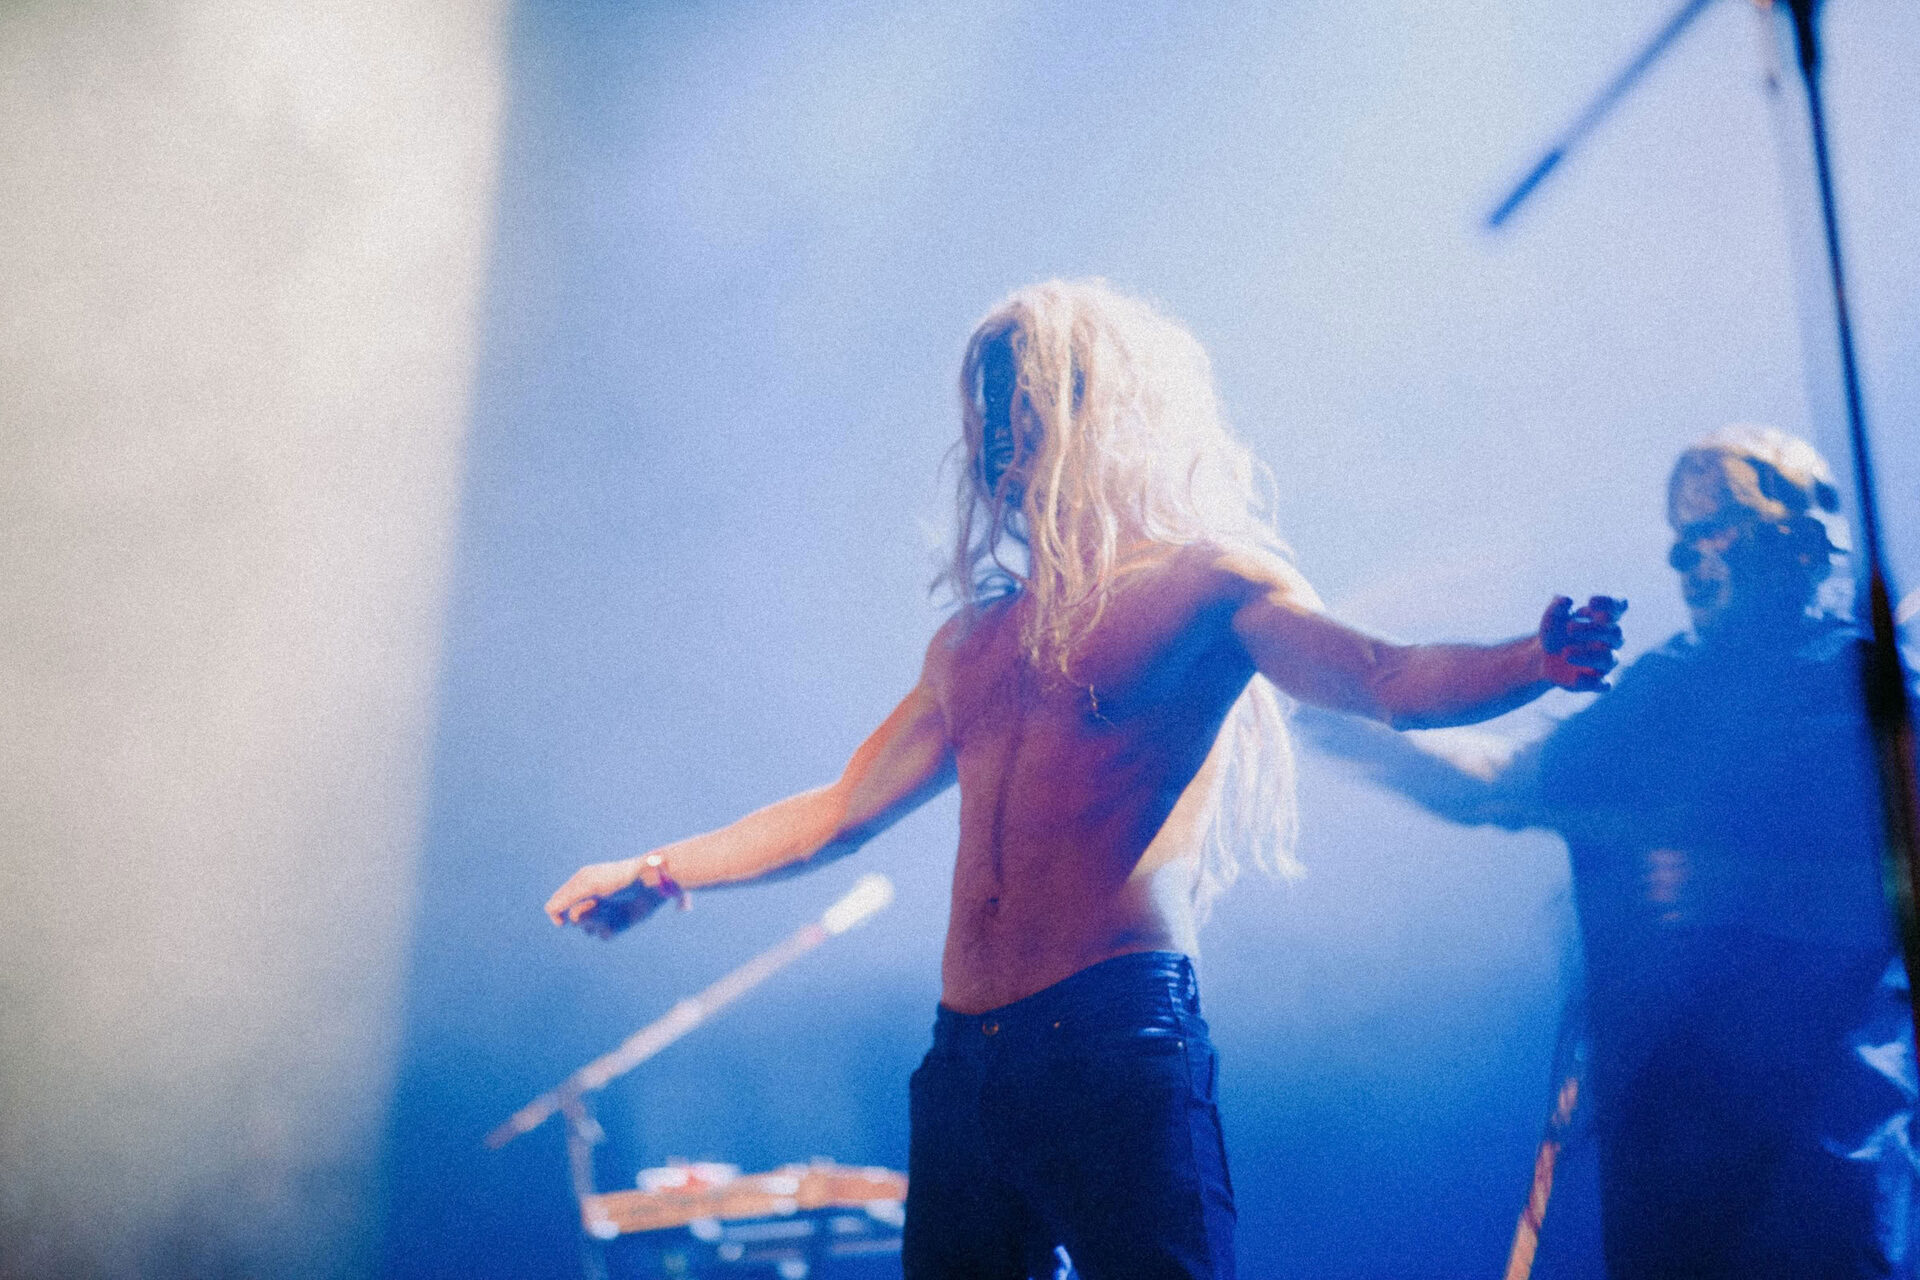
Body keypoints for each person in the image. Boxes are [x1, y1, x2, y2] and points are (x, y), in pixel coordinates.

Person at [543, 279, 1625, 1280]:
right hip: (966, 1062)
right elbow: (838, 812)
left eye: (1031, 395)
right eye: (991, 401)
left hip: (1113, 1037)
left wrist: (1531, 660)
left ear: (1105, 409)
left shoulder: (1208, 583)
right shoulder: (970, 642)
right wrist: (658, 870)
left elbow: (1384, 675)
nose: (1004, 426)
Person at [1300, 425, 1916, 1279]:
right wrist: (1336, 709)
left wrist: (1754, 891)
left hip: (1823, 1161)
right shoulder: (1672, 687)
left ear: (1801, 539)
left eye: (1715, 530)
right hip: (1674, 1158)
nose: (1685, 561)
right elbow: (1503, 785)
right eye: (1679, 541)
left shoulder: (1873, 686)